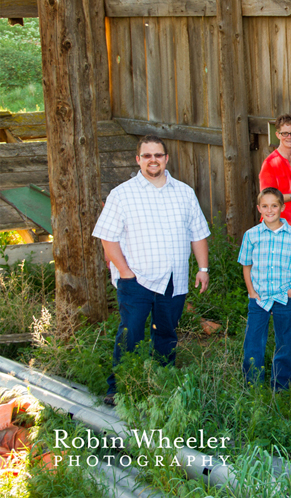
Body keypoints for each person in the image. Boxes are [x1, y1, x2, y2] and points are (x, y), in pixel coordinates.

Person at [92, 135, 211, 406]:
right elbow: (107, 238)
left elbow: (198, 233)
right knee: (130, 332)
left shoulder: (184, 192)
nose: (153, 160)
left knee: (166, 334)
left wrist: (202, 268)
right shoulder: (122, 194)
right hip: (136, 278)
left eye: (158, 155)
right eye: (147, 156)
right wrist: (124, 272)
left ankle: (161, 385)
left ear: (166, 158)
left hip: (174, 278)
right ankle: (120, 387)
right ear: (138, 159)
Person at [238, 187, 291, 391]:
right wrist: (251, 291)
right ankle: (253, 384)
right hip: (259, 297)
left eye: (274, 206)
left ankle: (281, 385)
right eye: (265, 206)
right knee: (253, 342)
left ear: (282, 207)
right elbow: (246, 265)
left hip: (284, 296)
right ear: (259, 208)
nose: (270, 210)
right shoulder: (251, 235)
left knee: (284, 341)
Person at [258, 114, 291, 230]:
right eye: (285, 133)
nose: (289, 137)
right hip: (278, 225)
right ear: (278, 135)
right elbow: (267, 198)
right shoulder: (270, 163)